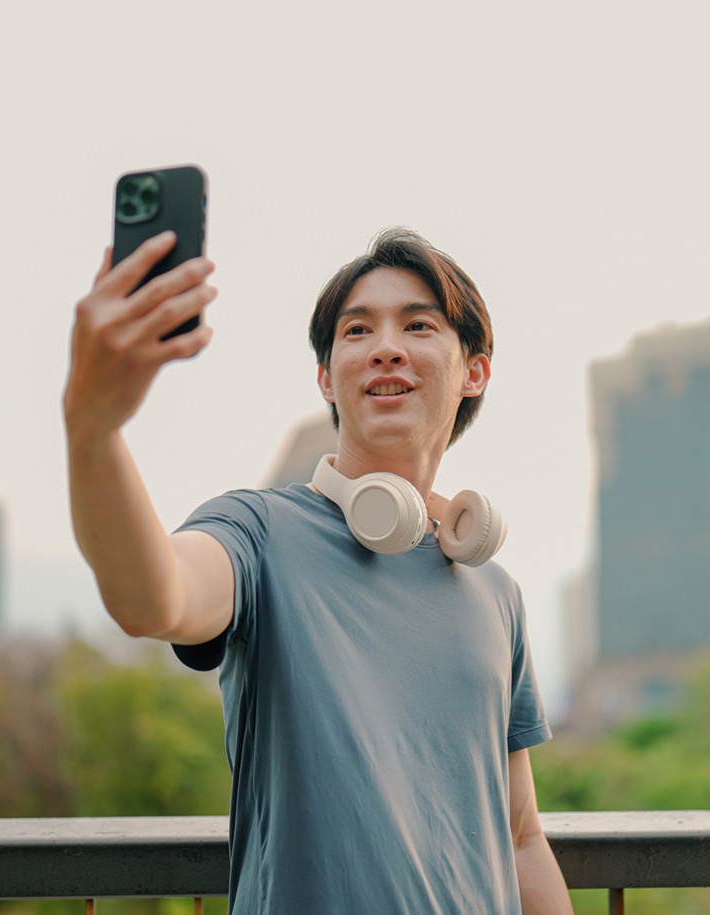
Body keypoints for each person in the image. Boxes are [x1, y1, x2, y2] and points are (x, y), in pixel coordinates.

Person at [64, 226, 572, 914]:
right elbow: (152, 599)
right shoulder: (257, 532)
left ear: (474, 371)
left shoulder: (494, 589)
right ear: (328, 377)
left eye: (418, 325)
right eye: (357, 330)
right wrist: (93, 428)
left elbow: (520, 836)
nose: (385, 346)